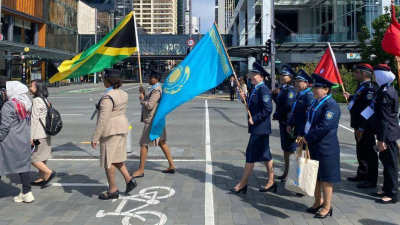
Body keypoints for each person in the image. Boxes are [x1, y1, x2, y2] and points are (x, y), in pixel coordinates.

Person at [298, 74, 341, 219]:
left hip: (326, 147)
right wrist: (301, 134)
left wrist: (307, 137)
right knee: (315, 176)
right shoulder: (316, 102)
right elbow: (308, 120)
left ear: (326, 89)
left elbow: (324, 126)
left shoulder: (331, 105)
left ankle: (327, 207)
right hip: (314, 145)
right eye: (314, 86)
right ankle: (318, 202)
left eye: (317, 87)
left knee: (326, 178)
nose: (314, 89)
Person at [91, 69, 137, 200]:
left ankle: (113, 190)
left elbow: (103, 119)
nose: (103, 81)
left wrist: (95, 136)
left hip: (110, 129)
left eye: (104, 79)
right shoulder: (123, 94)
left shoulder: (107, 97)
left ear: (108, 80)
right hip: (122, 127)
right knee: (117, 158)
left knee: (109, 160)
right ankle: (129, 180)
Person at [230, 69, 275, 194]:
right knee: (266, 154)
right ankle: (271, 181)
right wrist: (244, 98)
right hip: (258, 128)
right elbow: (253, 106)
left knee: (250, 154)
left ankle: (243, 183)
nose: (252, 76)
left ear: (261, 77)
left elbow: (268, 109)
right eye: (251, 74)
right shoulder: (255, 89)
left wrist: (254, 119)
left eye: (254, 75)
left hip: (260, 128)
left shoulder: (263, 89)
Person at [132, 69, 175, 178]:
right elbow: (151, 100)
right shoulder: (155, 88)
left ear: (156, 79)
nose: (148, 78)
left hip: (152, 120)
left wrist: (142, 99)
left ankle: (141, 170)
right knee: (161, 142)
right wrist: (143, 93)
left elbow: (150, 105)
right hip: (157, 119)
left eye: (151, 77)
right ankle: (171, 165)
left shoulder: (156, 90)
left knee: (143, 144)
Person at [342, 64, 378, 188]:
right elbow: (359, 101)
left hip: (366, 127)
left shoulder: (369, 89)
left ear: (363, 74)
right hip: (359, 125)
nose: (354, 74)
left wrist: (362, 127)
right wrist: (350, 97)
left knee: (369, 153)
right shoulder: (361, 87)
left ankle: (370, 179)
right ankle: (362, 173)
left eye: (356, 72)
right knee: (361, 151)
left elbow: (369, 110)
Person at [370, 64, 400, 204]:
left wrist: (381, 139)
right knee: (385, 161)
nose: (373, 77)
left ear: (381, 75)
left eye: (375, 74)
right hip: (386, 133)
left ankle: (392, 194)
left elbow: (384, 118)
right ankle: (386, 188)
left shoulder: (386, 93)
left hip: (388, 134)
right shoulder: (383, 89)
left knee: (390, 164)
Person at [0, 81, 33, 203]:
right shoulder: (25, 103)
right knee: (23, 167)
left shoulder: (9, 105)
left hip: (9, 141)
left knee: (1, 165)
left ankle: (26, 193)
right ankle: (27, 192)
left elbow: (4, 126)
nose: (4, 92)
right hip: (23, 139)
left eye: (6, 90)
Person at [272, 65, 297, 181]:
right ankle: (286, 172)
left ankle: (291, 174)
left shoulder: (290, 90)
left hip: (288, 122)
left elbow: (288, 106)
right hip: (283, 122)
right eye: (281, 75)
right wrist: (274, 94)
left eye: (284, 75)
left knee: (290, 149)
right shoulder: (283, 89)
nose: (282, 77)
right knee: (286, 149)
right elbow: (278, 102)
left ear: (290, 78)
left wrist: (277, 114)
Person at [30, 79, 56, 188]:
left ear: (38, 88)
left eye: (32, 86)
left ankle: (49, 172)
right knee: (42, 157)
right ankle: (41, 178)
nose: (30, 88)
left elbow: (34, 119)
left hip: (38, 134)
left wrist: (30, 137)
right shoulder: (45, 99)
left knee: (31, 158)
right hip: (46, 132)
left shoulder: (37, 101)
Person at [287, 69, 314, 143]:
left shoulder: (309, 96)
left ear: (306, 83)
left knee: (304, 152)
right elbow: (294, 111)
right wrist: (290, 124)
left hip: (304, 129)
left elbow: (309, 116)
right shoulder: (299, 94)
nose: (296, 83)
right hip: (298, 127)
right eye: (296, 81)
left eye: (299, 81)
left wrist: (303, 132)